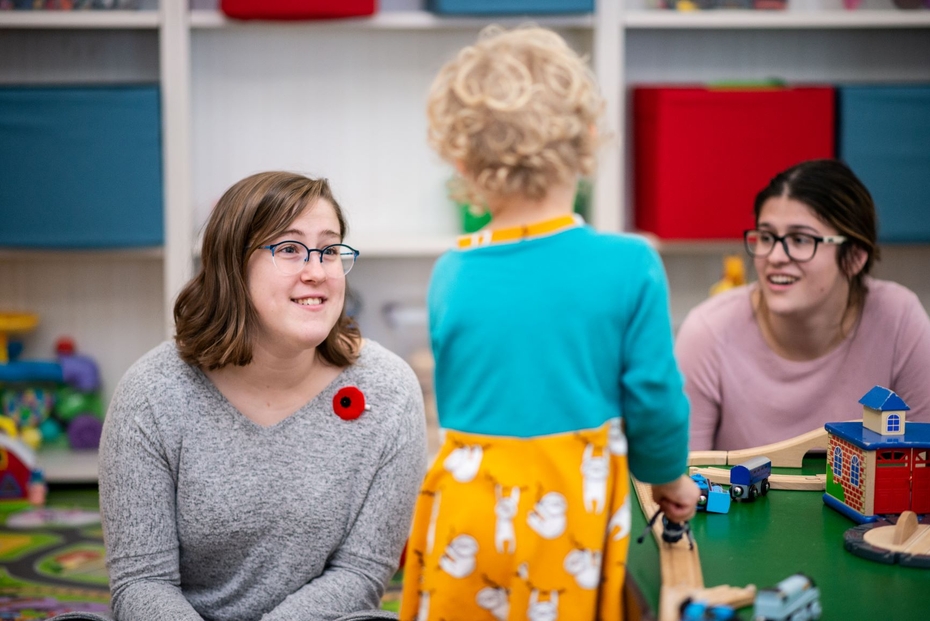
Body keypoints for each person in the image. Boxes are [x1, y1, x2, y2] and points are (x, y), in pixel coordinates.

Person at [399, 26, 698, 621]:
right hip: (569, 507)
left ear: (462, 160)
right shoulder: (630, 263)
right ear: (588, 138)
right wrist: (667, 479)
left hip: (467, 508)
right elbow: (655, 400)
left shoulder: (452, 272)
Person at [98, 171, 428, 621]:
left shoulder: (389, 391)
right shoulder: (152, 393)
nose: (316, 272)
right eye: (289, 249)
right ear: (232, 267)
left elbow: (361, 573)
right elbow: (142, 582)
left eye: (329, 250)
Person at [677, 159, 930, 452]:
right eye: (767, 237)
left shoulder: (900, 321)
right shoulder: (708, 332)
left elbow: (921, 470)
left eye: (799, 239)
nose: (775, 256)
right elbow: (680, 480)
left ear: (855, 257)